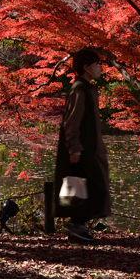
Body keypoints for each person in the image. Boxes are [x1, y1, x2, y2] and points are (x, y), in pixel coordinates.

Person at [53, 47, 112, 243]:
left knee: (91, 187)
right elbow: (72, 121)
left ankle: (77, 226)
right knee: (94, 187)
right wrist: (75, 147)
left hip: (90, 148)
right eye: (96, 65)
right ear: (86, 67)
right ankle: (76, 224)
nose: (100, 68)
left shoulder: (87, 88)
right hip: (82, 149)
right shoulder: (79, 89)